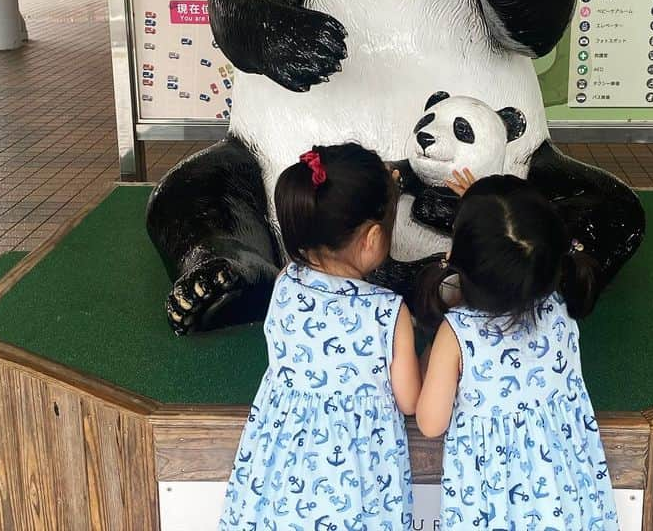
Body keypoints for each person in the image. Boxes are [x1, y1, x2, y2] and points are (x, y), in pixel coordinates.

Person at [219, 143, 420, 531]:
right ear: (374, 237)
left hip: (279, 476)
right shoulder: (388, 312)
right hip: (357, 486)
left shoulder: (285, 281)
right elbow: (409, 400)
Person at [414, 173, 619, 530]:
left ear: (454, 259)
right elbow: (526, 244)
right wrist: (492, 212)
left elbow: (430, 423)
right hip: (563, 500)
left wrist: (433, 340)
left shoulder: (456, 335)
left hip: (491, 507)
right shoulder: (561, 309)